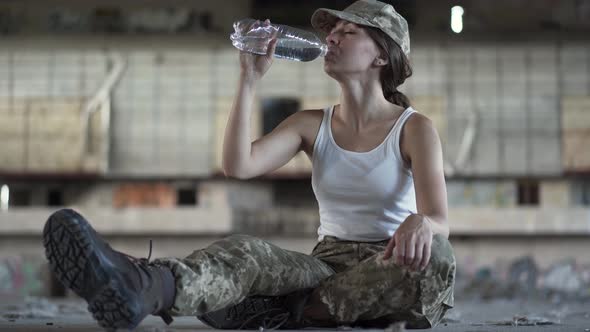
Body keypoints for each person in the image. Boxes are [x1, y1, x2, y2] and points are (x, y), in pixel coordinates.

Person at [42, 0, 456, 330]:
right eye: (332, 30)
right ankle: (142, 287)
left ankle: (279, 309)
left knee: (438, 258)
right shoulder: (311, 124)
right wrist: (250, 79)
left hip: (390, 263)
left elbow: (438, 219)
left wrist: (423, 223)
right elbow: (239, 165)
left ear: (382, 57)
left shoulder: (414, 128)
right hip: (326, 265)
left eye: (348, 32)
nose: (331, 38)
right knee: (247, 252)